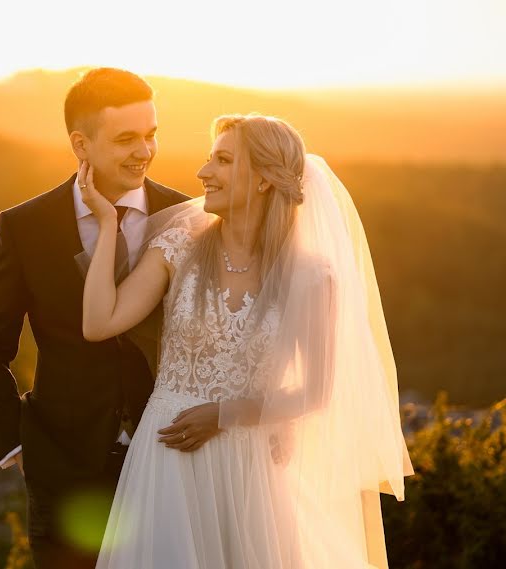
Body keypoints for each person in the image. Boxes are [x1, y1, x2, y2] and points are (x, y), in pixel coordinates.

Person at [80, 113, 414, 568]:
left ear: (261, 180)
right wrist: (104, 226)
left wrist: (225, 414)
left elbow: (316, 391)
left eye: (222, 160)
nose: (202, 173)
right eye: (208, 159)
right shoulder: (178, 246)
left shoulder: (310, 275)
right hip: (167, 458)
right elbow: (100, 323)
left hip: (252, 468)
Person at [0, 67, 191, 568]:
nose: (145, 151)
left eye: (151, 135)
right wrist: (16, 444)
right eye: (126, 138)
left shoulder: (187, 216)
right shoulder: (27, 226)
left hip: (169, 463)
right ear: (80, 145)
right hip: (62, 469)